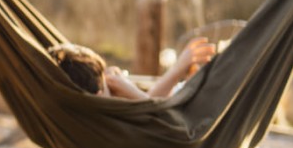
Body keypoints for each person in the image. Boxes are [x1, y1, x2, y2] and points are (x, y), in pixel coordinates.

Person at [49, 36, 216, 99]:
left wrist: (180, 69)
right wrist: (129, 90)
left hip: (180, 95)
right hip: (191, 107)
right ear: (98, 95)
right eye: (105, 79)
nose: (110, 78)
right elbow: (161, 115)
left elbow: (151, 104)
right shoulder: (112, 116)